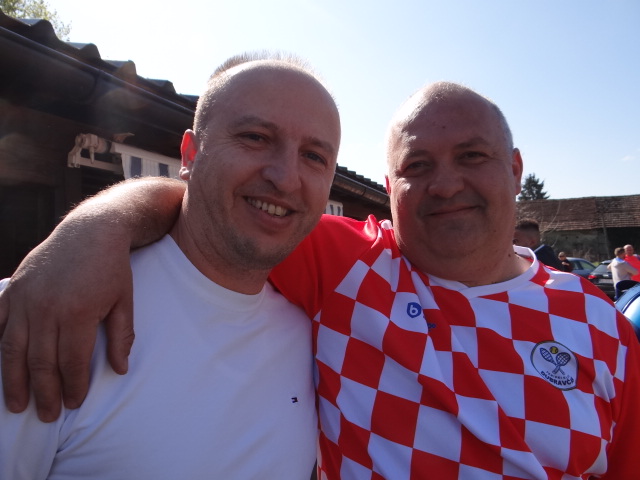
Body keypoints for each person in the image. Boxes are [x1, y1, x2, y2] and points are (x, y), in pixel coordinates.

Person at [2, 82, 640, 479]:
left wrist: (88, 232)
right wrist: (90, 232)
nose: (446, 184)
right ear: (389, 190)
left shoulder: (603, 326)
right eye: (418, 166)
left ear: (515, 168)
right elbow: (217, 206)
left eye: (472, 156)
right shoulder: (347, 265)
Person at [0, 53, 343, 479]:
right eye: (255, 137)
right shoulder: (51, 310)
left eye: (314, 156)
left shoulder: (321, 336)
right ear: (190, 153)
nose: (286, 177)